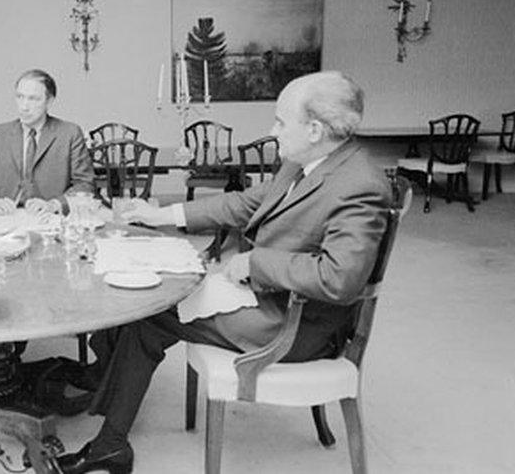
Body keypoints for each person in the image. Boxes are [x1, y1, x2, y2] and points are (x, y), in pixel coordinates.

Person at [56, 71, 391, 474]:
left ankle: (107, 436)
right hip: (267, 301)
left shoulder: (359, 185)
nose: (272, 130)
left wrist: (255, 262)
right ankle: (102, 390)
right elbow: (245, 203)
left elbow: (340, 278)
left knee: (147, 314)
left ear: (316, 129)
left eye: (281, 121)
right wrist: (161, 214)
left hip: (299, 326)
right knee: (141, 297)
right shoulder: (305, 161)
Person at [0, 69, 94, 215]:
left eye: (33, 99)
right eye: (20, 97)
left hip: (50, 220)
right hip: (4, 222)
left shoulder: (70, 133)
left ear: (50, 101)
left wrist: (54, 205)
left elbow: (85, 184)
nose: (24, 106)